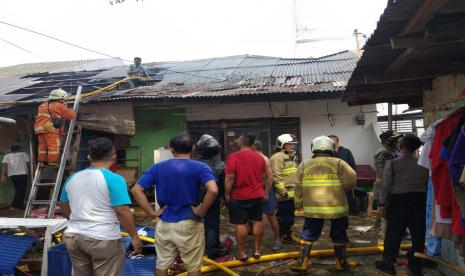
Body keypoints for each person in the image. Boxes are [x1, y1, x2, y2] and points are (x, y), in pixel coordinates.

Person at [131, 133, 218, 276]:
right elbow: (213, 190)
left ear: (171, 149)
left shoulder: (157, 168)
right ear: (193, 148)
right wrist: (202, 210)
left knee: (162, 264)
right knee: (193, 267)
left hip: (164, 223)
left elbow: (136, 190)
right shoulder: (201, 167)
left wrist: (151, 213)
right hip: (190, 222)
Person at [58, 137, 142, 276]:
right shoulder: (114, 179)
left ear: (89, 156)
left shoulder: (73, 178)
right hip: (103, 238)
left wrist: (76, 219)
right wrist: (134, 236)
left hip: (74, 237)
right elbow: (121, 210)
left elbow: (63, 204)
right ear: (114, 157)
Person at [291, 136, 357, 272]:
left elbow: (297, 185)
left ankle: (302, 263)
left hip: (313, 208)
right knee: (339, 234)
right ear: (331, 148)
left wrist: (298, 202)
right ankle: (341, 263)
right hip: (337, 207)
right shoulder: (339, 162)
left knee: (308, 233)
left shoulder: (305, 164)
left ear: (313, 148)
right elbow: (352, 178)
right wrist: (342, 188)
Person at [375, 134, 429, 276]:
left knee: (394, 233)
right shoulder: (424, 163)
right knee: (418, 233)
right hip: (420, 200)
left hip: (399, 200)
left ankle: (388, 262)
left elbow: (385, 185)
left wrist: (382, 204)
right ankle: (416, 264)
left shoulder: (393, 163)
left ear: (402, 146)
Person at [225, 134, 272, 260]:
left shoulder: (233, 157)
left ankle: (242, 253)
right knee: (257, 221)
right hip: (257, 195)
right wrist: (259, 189)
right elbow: (264, 176)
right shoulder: (260, 158)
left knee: (240, 224)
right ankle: (257, 251)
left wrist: (226, 193)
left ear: (241, 142)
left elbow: (229, 177)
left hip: (238, 196)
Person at [195, 134, 228, 259]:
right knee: (212, 223)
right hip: (212, 197)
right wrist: (224, 198)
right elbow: (224, 185)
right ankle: (212, 250)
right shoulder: (221, 165)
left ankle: (192, 248)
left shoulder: (193, 163)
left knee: (192, 222)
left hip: (194, 196)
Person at [253, 140, 282, 251]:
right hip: (257, 190)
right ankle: (256, 237)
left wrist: (266, 193)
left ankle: (278, 239)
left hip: (265, 190)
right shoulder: (256, 158)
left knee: (270, 215)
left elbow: (270, 178)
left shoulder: (264, 159)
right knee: (255, 216)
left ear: (254, 148)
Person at [373, 130, 403, 240]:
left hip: (387, 186)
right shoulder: (384, 152)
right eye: (395, 139)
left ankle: (378, 232)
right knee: (386, 215)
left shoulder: (391, 151)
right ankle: (387, 240)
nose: (397, 141)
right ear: (387, 141)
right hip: (385, 187)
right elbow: (383, 173)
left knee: (382, 212)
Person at [34, 88, 76, 166]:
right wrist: (70, 109)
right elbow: (71, 115)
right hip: (50, 128)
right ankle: (52, 162)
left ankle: (41, 162)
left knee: (42, 146)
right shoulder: (58, 105)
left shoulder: (42, 105)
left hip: (39, 129)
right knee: (53, 145)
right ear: (61, 97)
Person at [270, 134, 299, 242]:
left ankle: (288, 234)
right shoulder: (277, 157)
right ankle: (285, 236)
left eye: (293, 144)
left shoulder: (290, 156)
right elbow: (276, 175)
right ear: (282, 145)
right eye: (290, 144)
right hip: (284, 194)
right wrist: (282, 190)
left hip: (291, 193)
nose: (292, 146)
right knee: (285, 216)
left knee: (289, 214)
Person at [328, 135, 360, 215]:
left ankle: (354, 212)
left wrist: (353, 179)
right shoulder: (328, 153)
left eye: (331, 142)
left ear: (337, 142)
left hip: (345, 179)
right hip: (332, 180)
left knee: (349, 196)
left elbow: (353, 166)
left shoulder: (346, 152)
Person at [1, 145, 30, 211]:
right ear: (19, 149)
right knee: (21, 190)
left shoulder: (7, 156)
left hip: (12, 175)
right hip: (22, 173)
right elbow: (28, 163)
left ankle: (19, 205)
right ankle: (14, 206)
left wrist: (3, 175)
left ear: (11, 149)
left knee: (18, 190)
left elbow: (4, 165)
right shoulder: (24, 154)